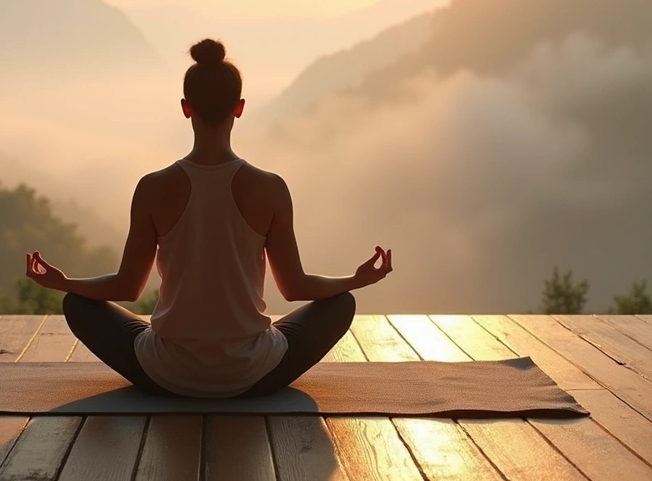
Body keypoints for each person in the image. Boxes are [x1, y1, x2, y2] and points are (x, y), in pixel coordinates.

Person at [23, 38, 393, 398]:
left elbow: (127, 287)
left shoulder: (152, 187)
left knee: (76, 303)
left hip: (166, 374)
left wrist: (65, 281)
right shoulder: (270, 187)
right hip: (253, 376)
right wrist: (356, 279)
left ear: (186, 108)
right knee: (342, 302)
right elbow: (294, 287)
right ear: (240, 107)